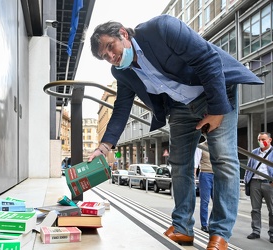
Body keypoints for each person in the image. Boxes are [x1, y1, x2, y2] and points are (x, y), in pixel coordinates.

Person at [87, 14, 263, 250]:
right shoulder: (121, 72)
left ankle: (219, 234)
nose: (111, 56)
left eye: (111, 47)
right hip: (180, 105)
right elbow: (121, 108)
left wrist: (217, 109)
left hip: (216, 90)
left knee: (224, 159)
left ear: (123, 34)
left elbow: (208, 58)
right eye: (104, 57)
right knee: (179, 164)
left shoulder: (162, 28)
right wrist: (104, 146)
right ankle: (182, 228)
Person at [244, 132, 273, 244]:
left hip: (270, 184)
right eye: (259, 139)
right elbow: (249, 167)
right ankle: (256, 231)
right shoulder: (255, 152)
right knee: (255, 210)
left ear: (270, 140)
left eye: (263, 139)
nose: (261, 141)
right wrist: (247, 180)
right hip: (255, 183)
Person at [194, 138, 214, 234]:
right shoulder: (201, 146)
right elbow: (196, 162)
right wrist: (194, 176)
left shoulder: (218, 144)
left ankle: (212, 223)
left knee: (217, 202)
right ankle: (204, 225)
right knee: (205, 201)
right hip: (205, 174)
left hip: (217, 175)